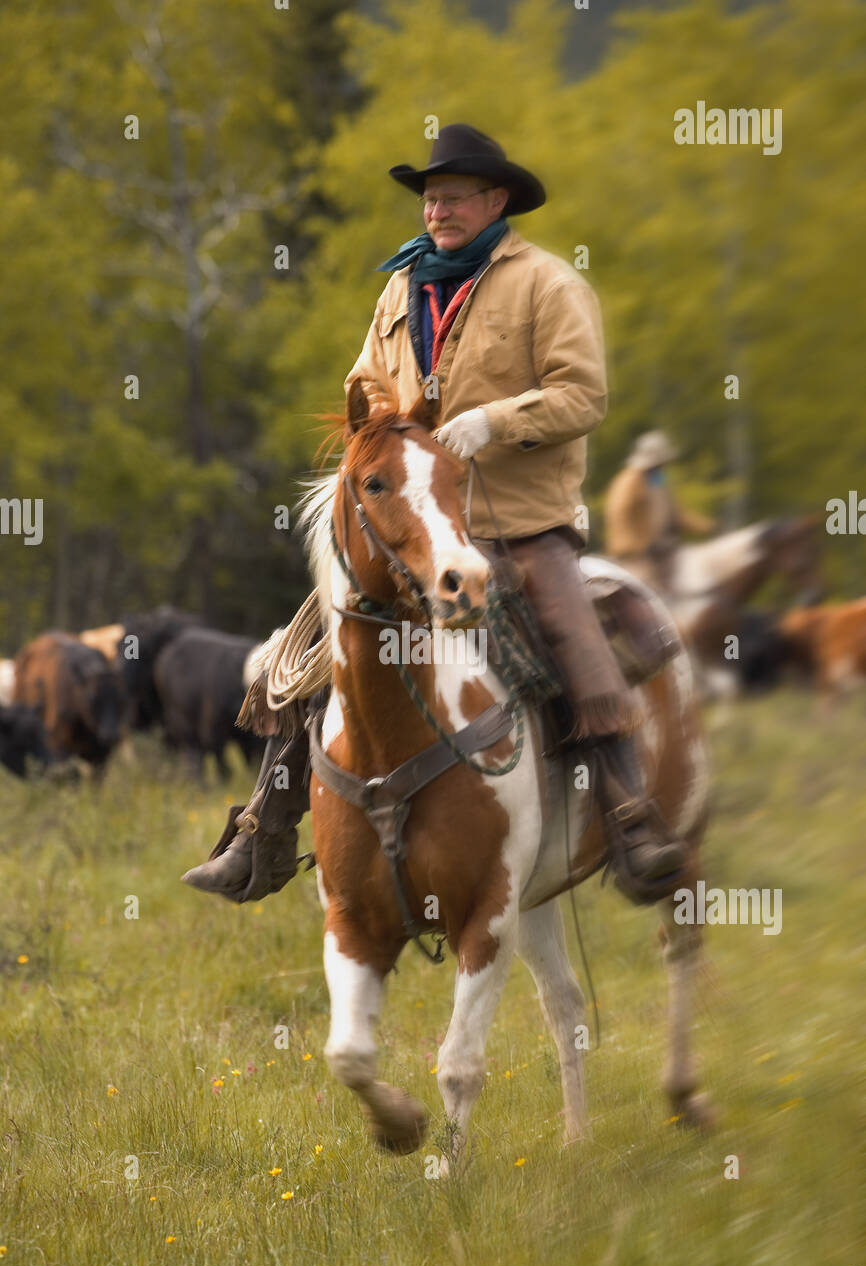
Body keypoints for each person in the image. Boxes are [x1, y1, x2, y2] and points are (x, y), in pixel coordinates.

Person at [183, 124, 687, 907]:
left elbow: (583, 395)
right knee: (310, 651)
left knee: (577, 644)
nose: (437, 210)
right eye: (430, 198)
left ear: (496, 200)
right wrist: (394, 435)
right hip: (416, 527)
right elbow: (365, 385)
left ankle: (632, 819)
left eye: (453, 197)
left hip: (521, 519)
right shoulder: (400, 289)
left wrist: (493, 423)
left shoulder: (548, 286)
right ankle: (265, 831)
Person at [605, 430, 715, 593]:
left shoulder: (658, 480)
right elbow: (619, 513)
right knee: (648, 594)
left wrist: (707, 527)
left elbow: (676, 513)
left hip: (662, 551)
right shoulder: (629, 480)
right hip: (636, 556)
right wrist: (637, 545)